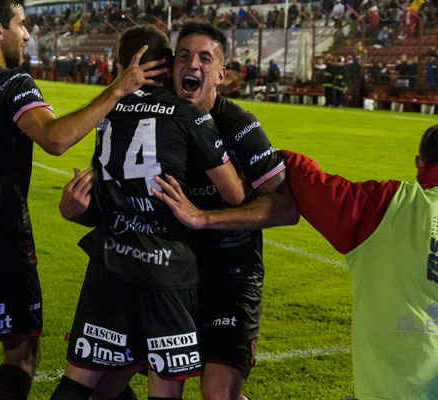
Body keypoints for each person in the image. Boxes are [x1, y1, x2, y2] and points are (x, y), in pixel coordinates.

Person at [0, 0, 166, 398]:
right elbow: (55, 138)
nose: (27, 34)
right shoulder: (11, 83)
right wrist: (117, 89)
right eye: (21, 24)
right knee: (23, 355)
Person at [61, 22, 299, 400]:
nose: (193, 65)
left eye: (206, 58)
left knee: (219, 394)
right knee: (102, 387)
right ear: (170, 67)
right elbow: (127, 205)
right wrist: (78, 209)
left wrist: (205, 218)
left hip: (229, 274)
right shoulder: (152, 117)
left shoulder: (239, 126)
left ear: (221, 74)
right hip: (163, 271)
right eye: (184, 56)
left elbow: (284, 208)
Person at [153, 125, 438, 400]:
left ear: (419, 162)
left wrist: (270, 157)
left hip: (397, 389)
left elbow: (314, 187)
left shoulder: (388, 206)